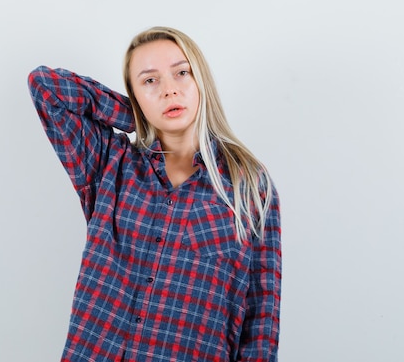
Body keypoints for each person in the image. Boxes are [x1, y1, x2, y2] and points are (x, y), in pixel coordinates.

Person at [28, 26, 281, 361]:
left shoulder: (250, 184)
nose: (169, 91)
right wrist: (137, 116)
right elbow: (45, 87)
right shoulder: (109, 164)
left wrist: (150, 103)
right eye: (150, 81)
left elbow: (261, 322)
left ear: (200, 79)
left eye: (181, 73)